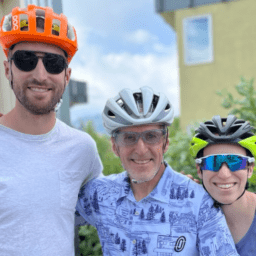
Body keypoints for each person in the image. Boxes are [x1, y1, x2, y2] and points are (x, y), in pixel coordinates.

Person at [76, 86, 239, 256]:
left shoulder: (199, 203)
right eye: (129, 137)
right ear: (115, 146)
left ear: (165, 141)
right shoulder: (98, 195)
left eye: (151, 136)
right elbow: (52, 212)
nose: (140, 149)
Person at [0, 5, 102, 256]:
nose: (40, 74)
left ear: (66, 76)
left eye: (54, 64)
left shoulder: (82, 148)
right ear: (7, 69)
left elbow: (115, 203)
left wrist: (170, 186)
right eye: (26, 60)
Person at [190, 115, 256, 256]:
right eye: (213, 162)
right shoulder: (185, 213)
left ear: (249, 168)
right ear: (199, 170)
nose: (224, 174)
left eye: (235, 161)